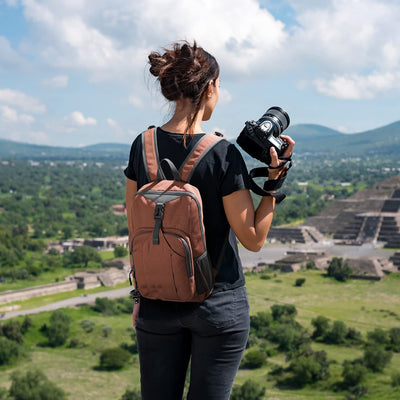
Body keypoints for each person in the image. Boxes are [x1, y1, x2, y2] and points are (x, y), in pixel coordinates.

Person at [124, 41, 294, 400]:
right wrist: (274, 184)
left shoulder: (142, 145)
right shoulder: (222, 153)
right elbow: (253, 239)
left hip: (157, 303)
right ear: (210, 87)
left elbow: (135, 227)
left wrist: (140, 296)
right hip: (218, 305)